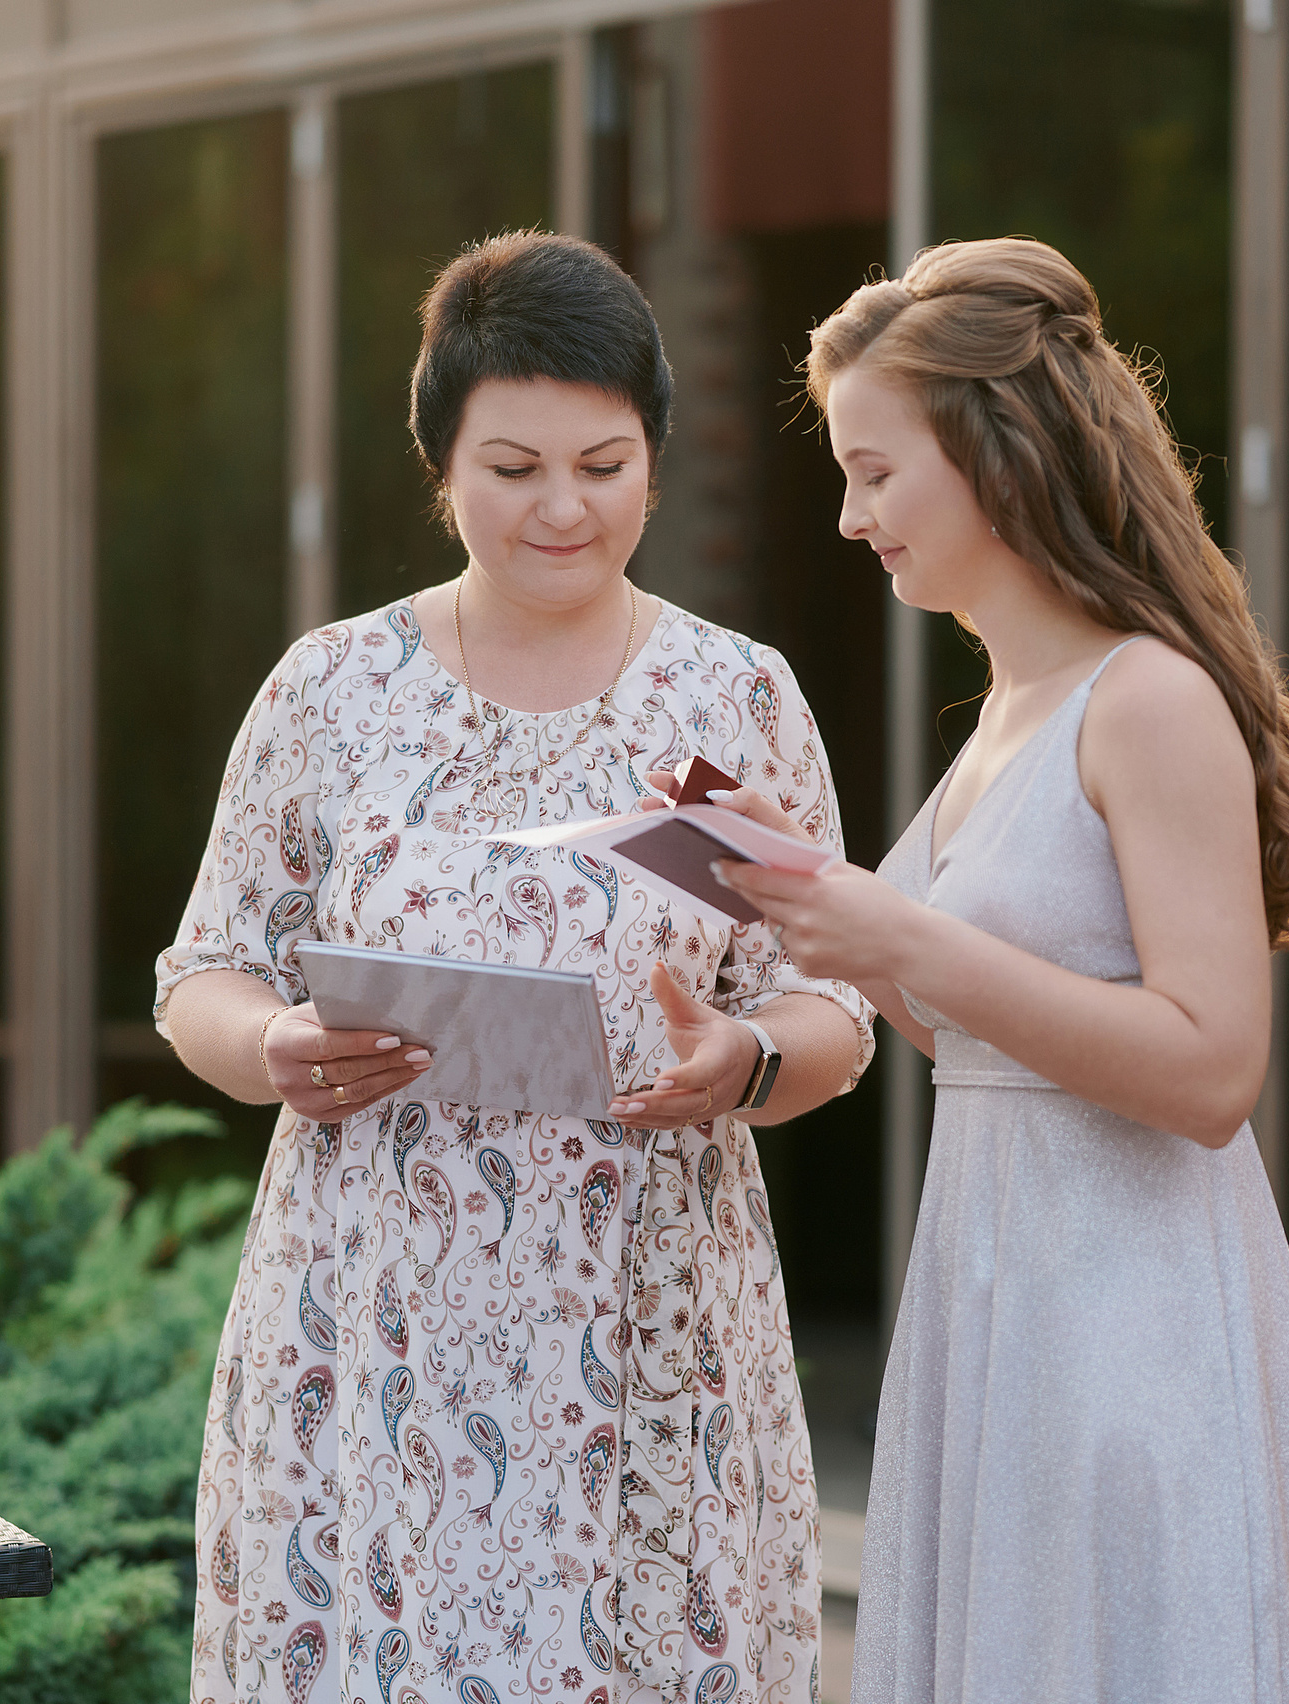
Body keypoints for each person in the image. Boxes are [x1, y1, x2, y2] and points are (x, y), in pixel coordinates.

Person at [158, 230, 874, 1704]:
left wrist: (745, 1063)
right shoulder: (335, 692)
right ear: (441, 464)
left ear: (658, 458)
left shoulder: (725, 698)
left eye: (604, 467)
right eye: (515, 467)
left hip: (649, 1326)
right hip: (376, 1335)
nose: (564, 509)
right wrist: (273, 1046)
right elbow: (204, 972)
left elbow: (836, 1000)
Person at [707, 238, 1289, 1701]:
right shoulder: (1010, 703)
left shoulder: (1149, 702)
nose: (846, 514)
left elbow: (1209, 1070)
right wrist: (808, 894)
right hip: (1000, 1296)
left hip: (1131, 1318)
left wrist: (898, 935)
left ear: (996, 456)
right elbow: (978, 1031)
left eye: (877, 471)